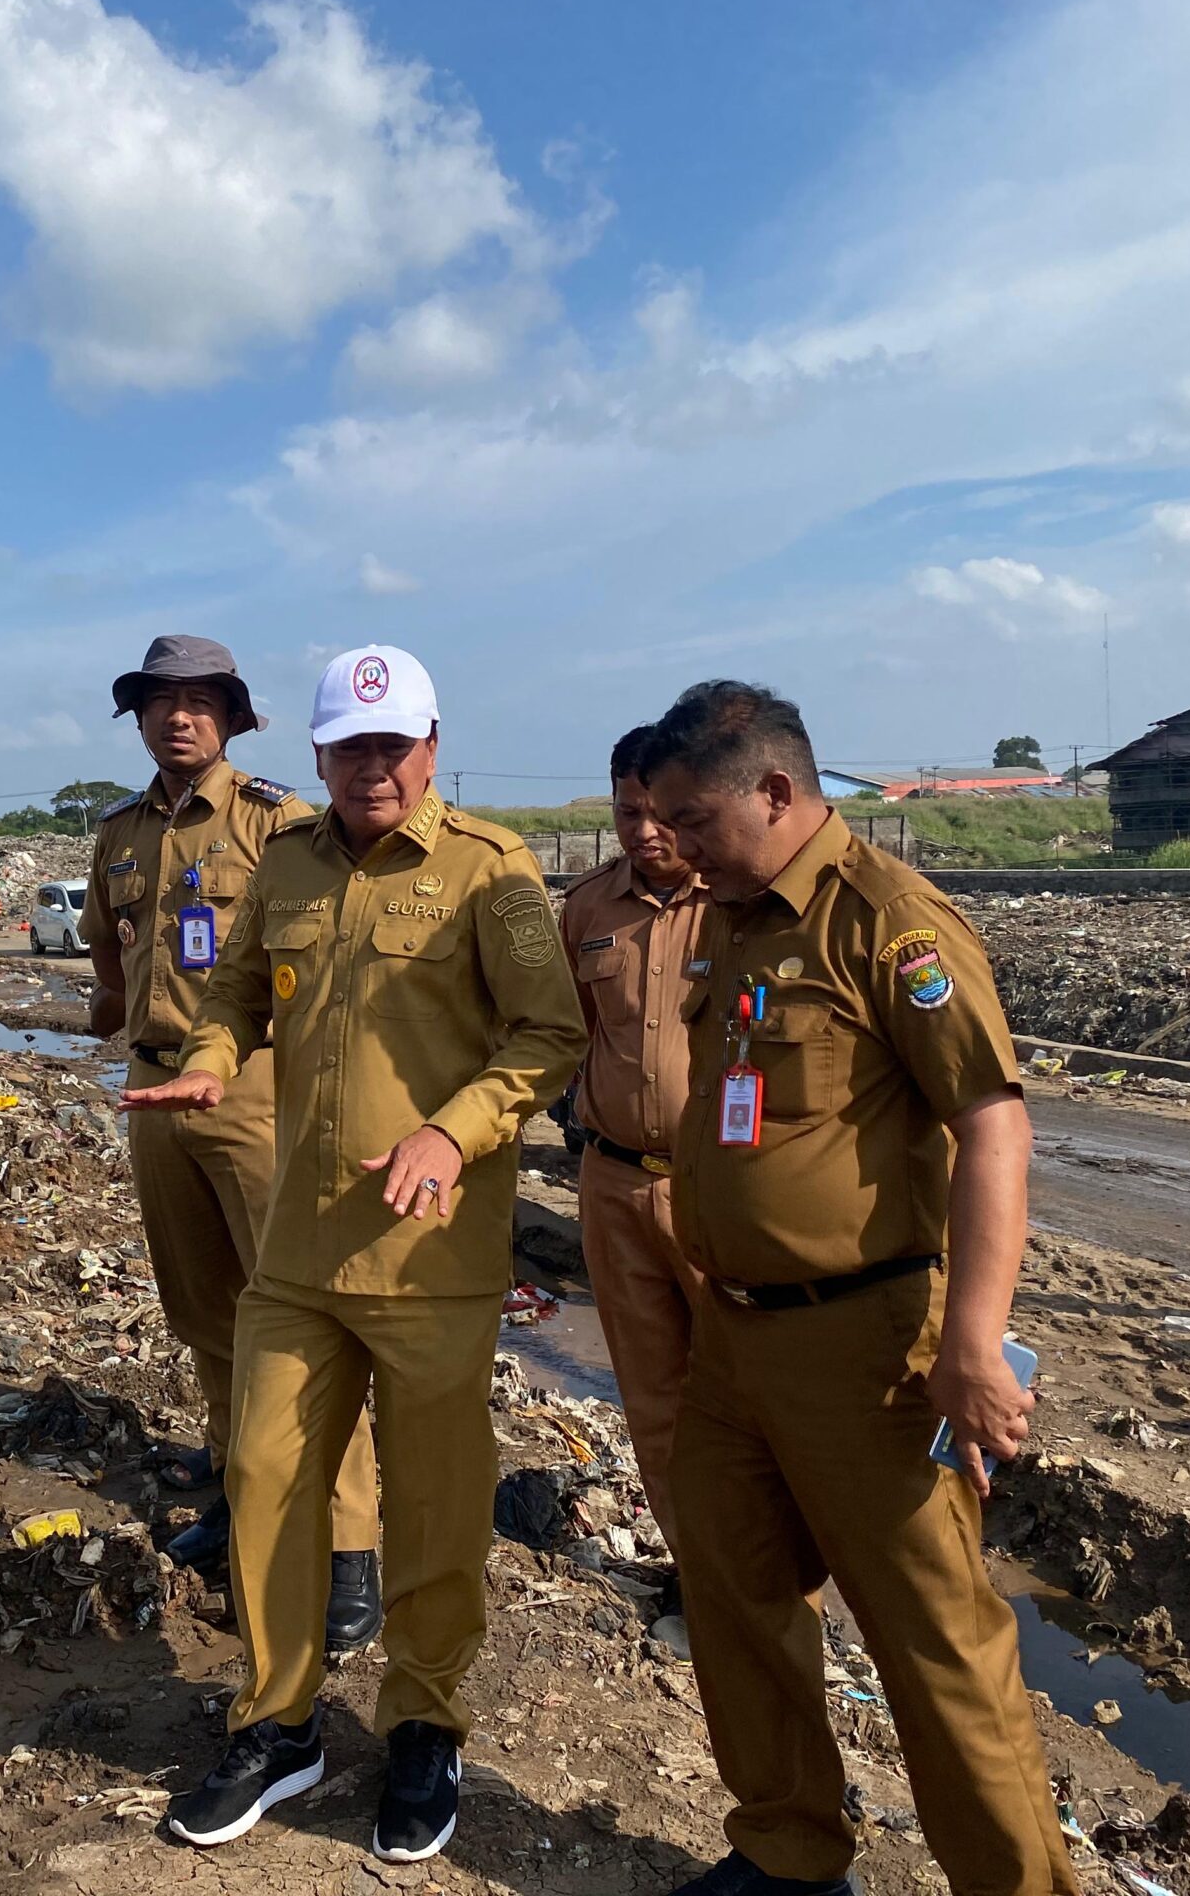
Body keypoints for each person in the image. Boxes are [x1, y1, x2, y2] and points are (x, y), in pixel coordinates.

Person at [126, 645, 584, 1865]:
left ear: (432, 747)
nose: (371, 769)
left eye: (392, 747)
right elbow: (232, 997)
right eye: (348, 749)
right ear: (319, 755)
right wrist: (212, 1063)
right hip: (298, 1252)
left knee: (432, 1508)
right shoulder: (285, 865)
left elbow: (549, 1035)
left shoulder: (492, 871)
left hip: (431, 1256)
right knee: (268, 1486)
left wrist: (455, 1129)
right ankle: (279, 1722)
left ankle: (425, 1724)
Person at [637, 680, 1077, 1896]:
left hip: (865, 1347)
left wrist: (973, 1347)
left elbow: (992, 1126)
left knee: (934, 1643)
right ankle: (787, 1853)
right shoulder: (732, 912)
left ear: (775, 792)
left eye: (692, 819)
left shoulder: (889, 922)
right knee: (733, 1600)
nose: (670, 844)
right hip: (732, 1339)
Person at [80, 635, 384, 1650]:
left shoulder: (278, 823)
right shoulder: (117, 835)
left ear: (231, 717)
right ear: (138, 717)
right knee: (207, 1313)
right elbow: (109, 975)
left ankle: (348, 1549)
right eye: (160, 702)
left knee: (300, 1315)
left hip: (257, 1090)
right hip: (152, 1087)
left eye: (199, 701)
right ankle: (234, 1491)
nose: (178, 718)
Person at [556, 723, 713, 1652]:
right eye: (627, 813)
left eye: (660, 813)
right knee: (652, 1401)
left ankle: (771, 1584)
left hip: (718, 1194)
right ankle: (698, 1580)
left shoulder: (738, 903)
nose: (645, 832)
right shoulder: (585, 913)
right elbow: (564, 1037)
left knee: (741, 1397)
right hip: (614, 1186)